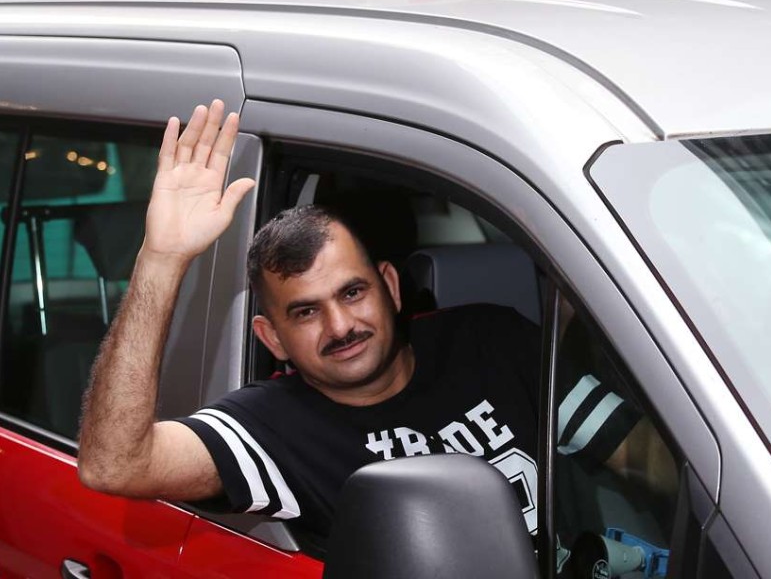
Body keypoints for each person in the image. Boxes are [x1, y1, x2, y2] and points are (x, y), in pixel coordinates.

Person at [76, 100, 647, 544]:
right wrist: (162, 259)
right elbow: (115, 466)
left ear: (391, 287)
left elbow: (638, 452)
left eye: (353, 292)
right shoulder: (274, 428)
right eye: (305, 312)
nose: (341, 324)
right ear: (271, 338)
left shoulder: (489, 340)